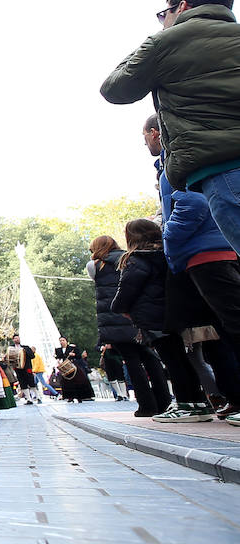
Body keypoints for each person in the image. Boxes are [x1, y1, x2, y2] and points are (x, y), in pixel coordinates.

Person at [101, 0, 240, 252]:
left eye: (165, 14)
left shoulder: (165, 43)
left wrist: (155, 42)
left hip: (222, 168)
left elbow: (115, 89)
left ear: (183, 7)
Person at [150, 113, 240, 423]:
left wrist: (170, 239)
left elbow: (192, 204)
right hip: (212, 249)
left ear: (156, 133)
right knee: (222, 330)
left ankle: (209, 401)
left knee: (229, 326)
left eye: (147, 134)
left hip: (204, 253)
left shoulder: (178, 159)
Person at [111, 219, 213, 422]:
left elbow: (127, 290)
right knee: (184, 359)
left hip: (153, 318)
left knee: (172, 361)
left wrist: (119, 308)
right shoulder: (169, 254)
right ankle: (198, 402)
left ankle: (185, 404)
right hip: (175, 314)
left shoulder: (136, 260)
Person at [89, 235, 169, 416]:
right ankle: (164, 400)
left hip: (114, 319)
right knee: (150, 358)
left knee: (132, 362)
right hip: (135, 316)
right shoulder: (129, 258)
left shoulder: (95, 266)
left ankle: (146, 405)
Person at [53, 337, 95, 402]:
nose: (62, 342)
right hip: (65, 368)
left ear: (66, 341)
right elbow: (58, 357)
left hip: (73, 366)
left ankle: (82, 396)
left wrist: (73, 354)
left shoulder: (72, 348)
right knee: (67, 383)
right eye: (60, 341)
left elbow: (79, 356)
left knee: (79, 381)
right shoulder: (58, 350)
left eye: (63, 340)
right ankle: (70, 397)